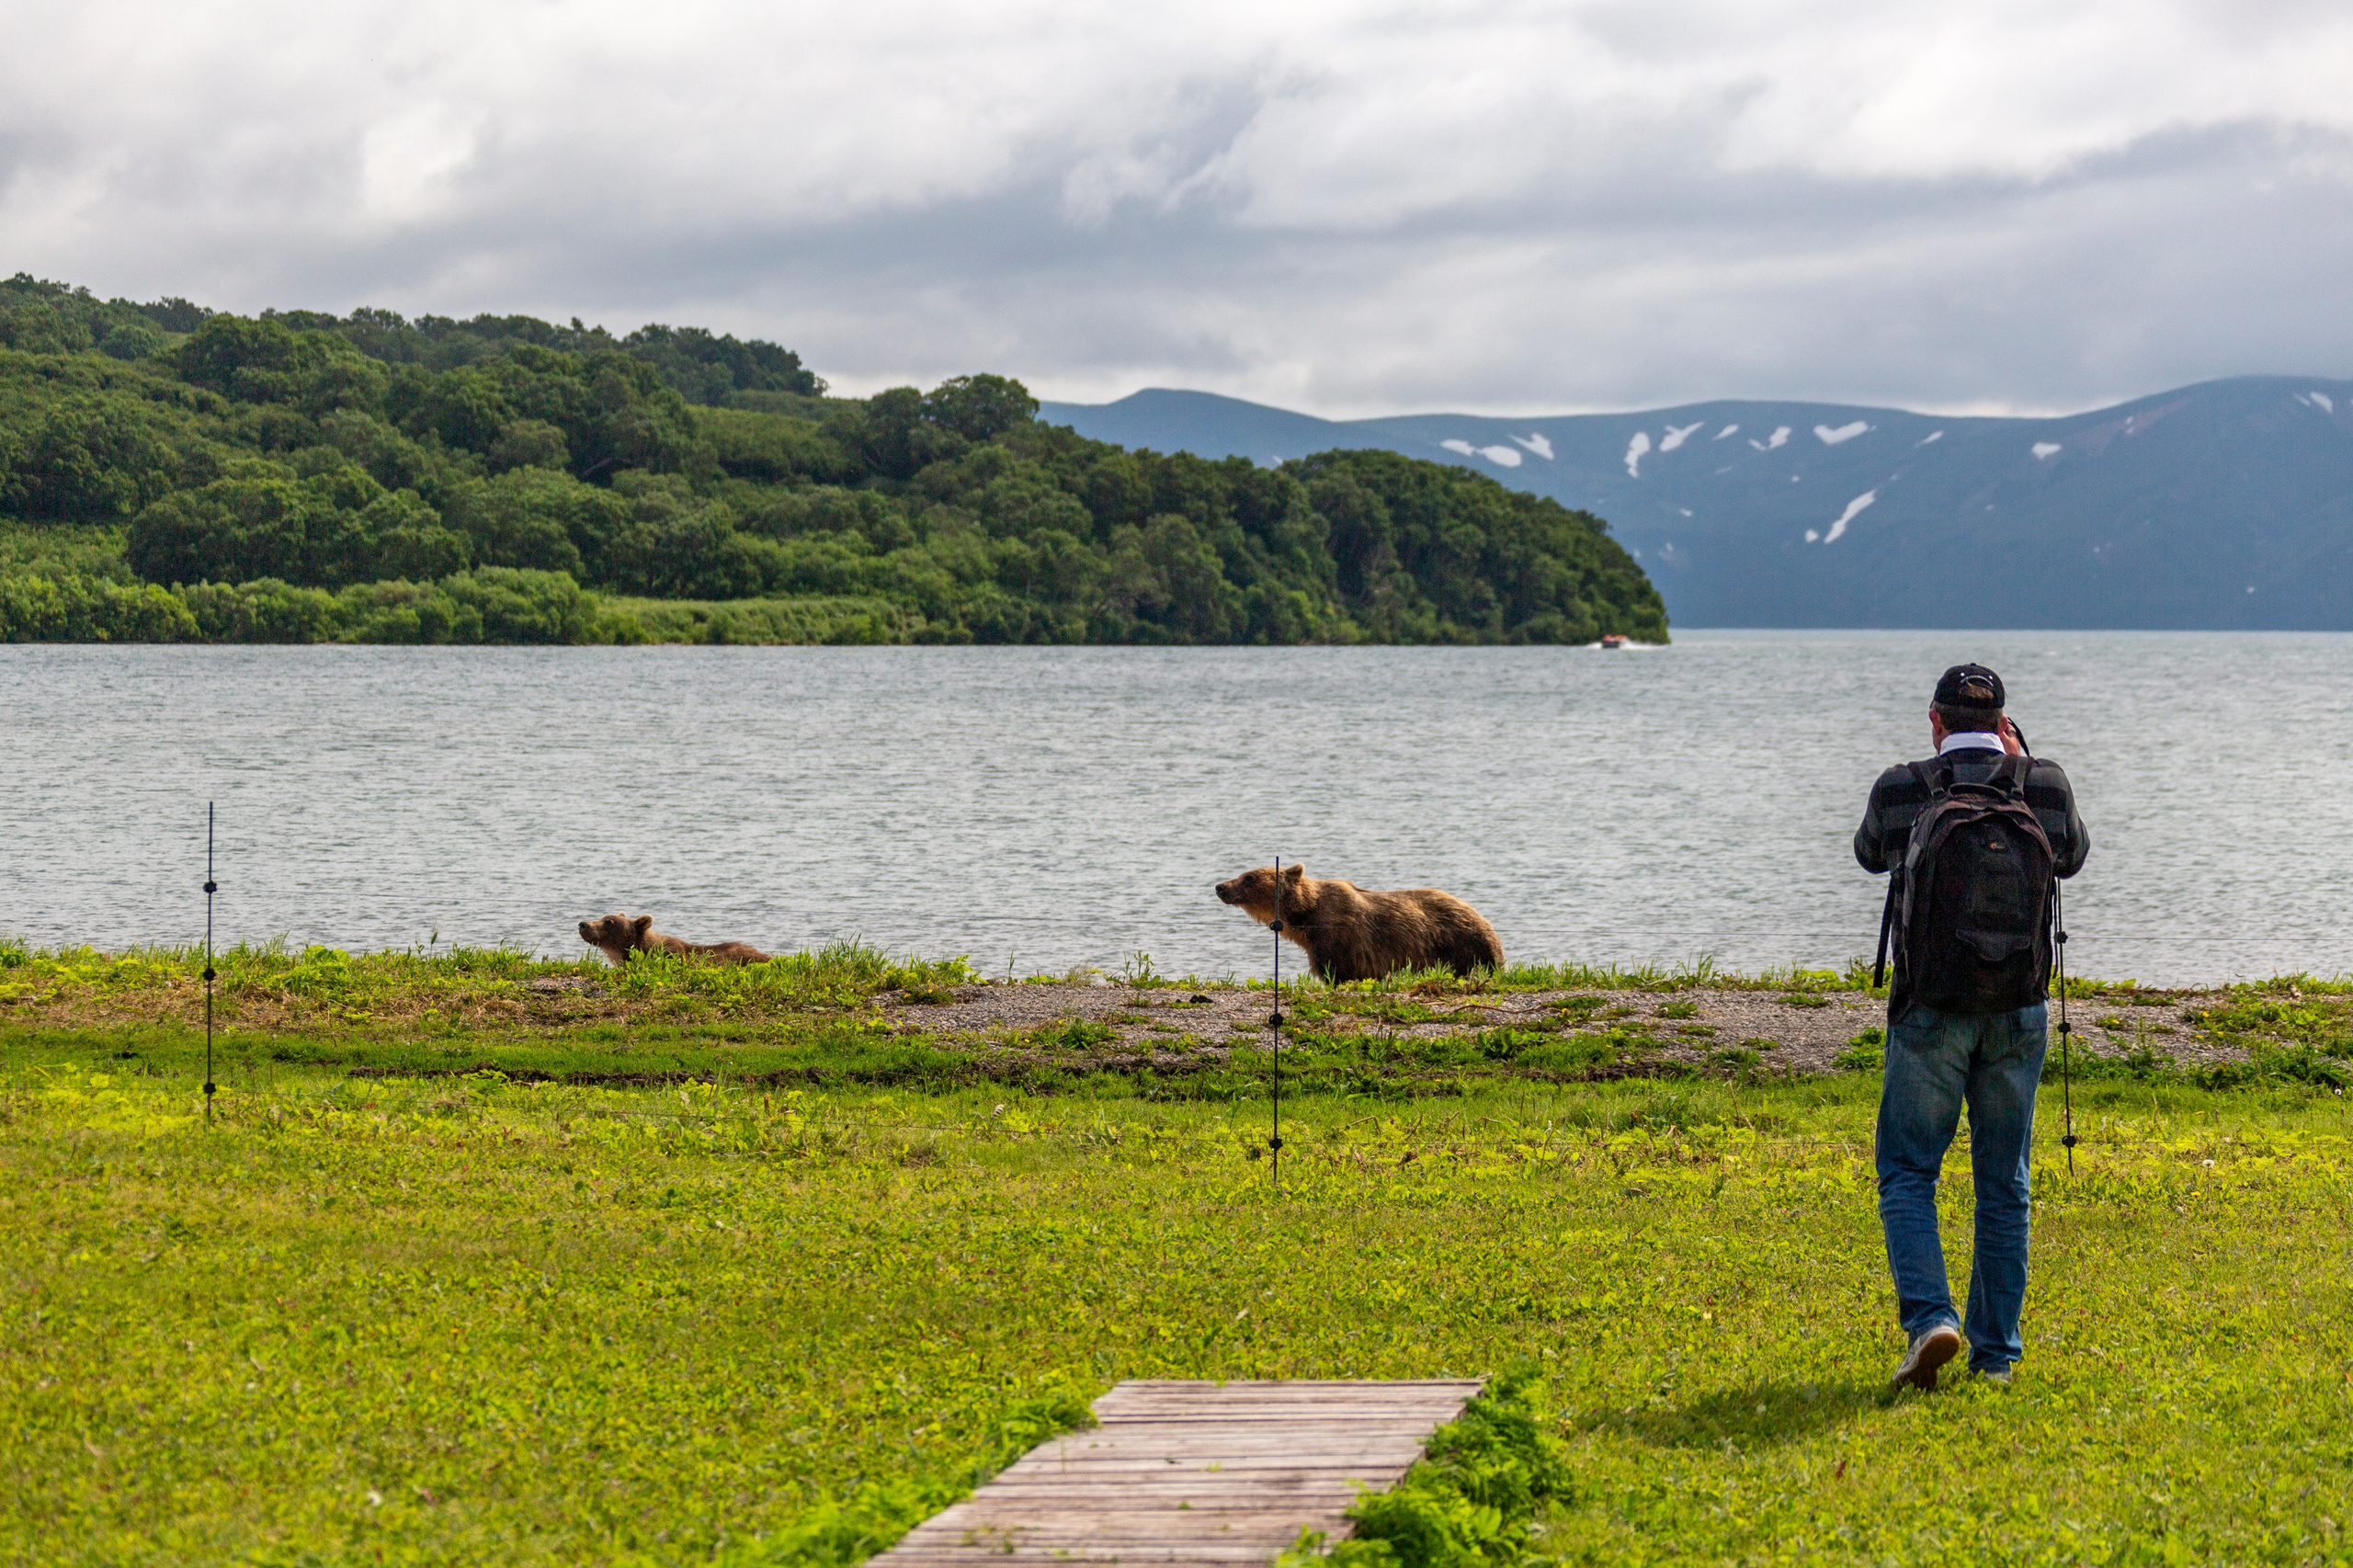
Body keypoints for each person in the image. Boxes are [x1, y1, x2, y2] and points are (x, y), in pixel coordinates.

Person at [1855, 664, 2089, 1391]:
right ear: (2001, 723)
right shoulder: (2042, 784)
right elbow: (2073, 856)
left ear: (1934, 721)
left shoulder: (1904, 785)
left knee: (1907, 1171)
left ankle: (1931, 1320)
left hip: (1931, 1007)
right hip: (2017, 1008)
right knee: (2003, 1182)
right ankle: (1996, 1360)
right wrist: (2025, 762)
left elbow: (1869, 854)